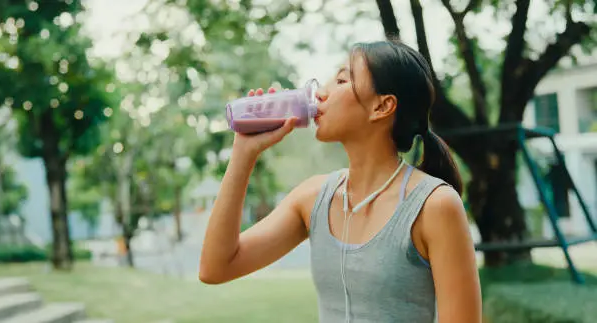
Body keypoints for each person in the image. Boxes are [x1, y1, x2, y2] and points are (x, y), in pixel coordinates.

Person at [199, 39, 482, 323]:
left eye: (342, 80)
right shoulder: (312, 198)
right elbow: (216, 267)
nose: (320, 93)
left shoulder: (434, 206)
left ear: (382, 106)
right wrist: (243, 153)